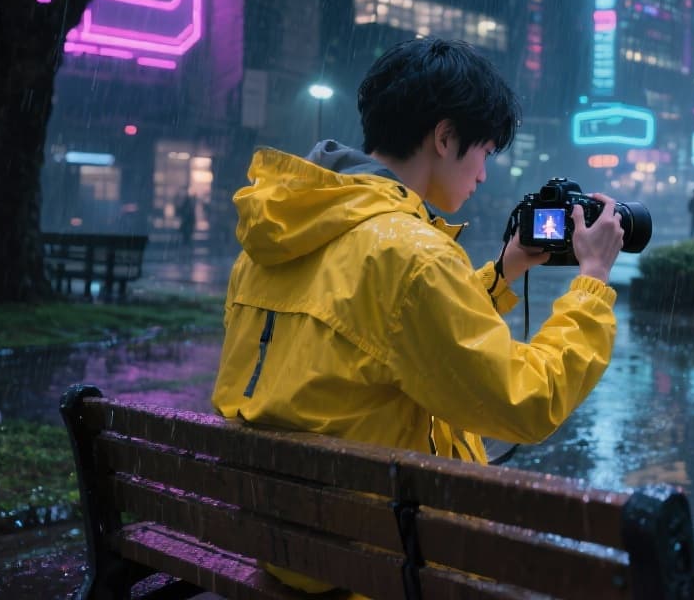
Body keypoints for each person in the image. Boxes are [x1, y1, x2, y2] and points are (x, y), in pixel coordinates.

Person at [211, 37, 623, 594]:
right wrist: (592, 282)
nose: (482, 174)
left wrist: (504, 272)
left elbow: (384, 327)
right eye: (483, 151)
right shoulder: (412, 255)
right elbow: (527, 401)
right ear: (445, 136)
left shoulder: (278, 234)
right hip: (377, 566)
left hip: (289, 546)